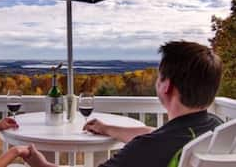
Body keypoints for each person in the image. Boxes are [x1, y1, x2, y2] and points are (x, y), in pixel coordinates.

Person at [23, 41, 224, 167]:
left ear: (166, 86)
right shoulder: (215, 127)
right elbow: (155, 134)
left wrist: (40, 164)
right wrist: (107, 129)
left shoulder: (145, 151)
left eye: (159, 76)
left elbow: (151, 141)